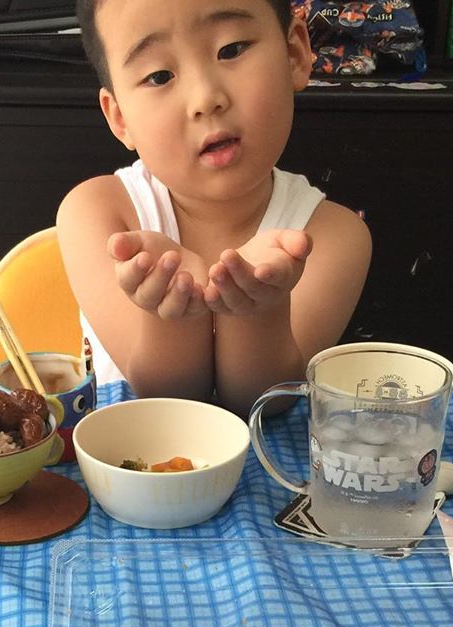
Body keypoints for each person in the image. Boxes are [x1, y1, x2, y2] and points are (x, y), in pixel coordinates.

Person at [57, 0, 372, 416]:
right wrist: (171, 313)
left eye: (231, 49)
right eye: (159, 75)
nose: (205, 98)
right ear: (120, 118)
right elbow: (168, 403)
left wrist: (261, 308)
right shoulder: (97, 214)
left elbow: (262, 403)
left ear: (295, 53)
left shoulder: (333, 236)